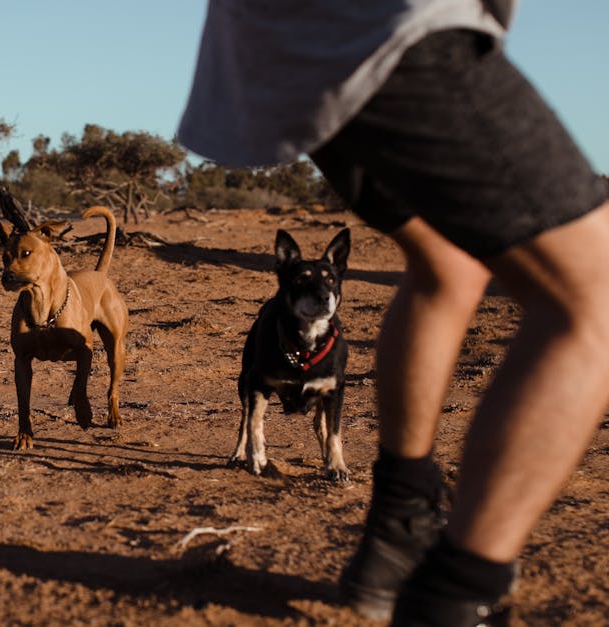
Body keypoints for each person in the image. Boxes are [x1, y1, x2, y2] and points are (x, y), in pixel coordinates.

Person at [178, 1, 609, 625]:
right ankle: (456, 595)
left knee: (448, 263)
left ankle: (397, 533)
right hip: (394, 31)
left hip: (287, 47)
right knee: (594, 295)